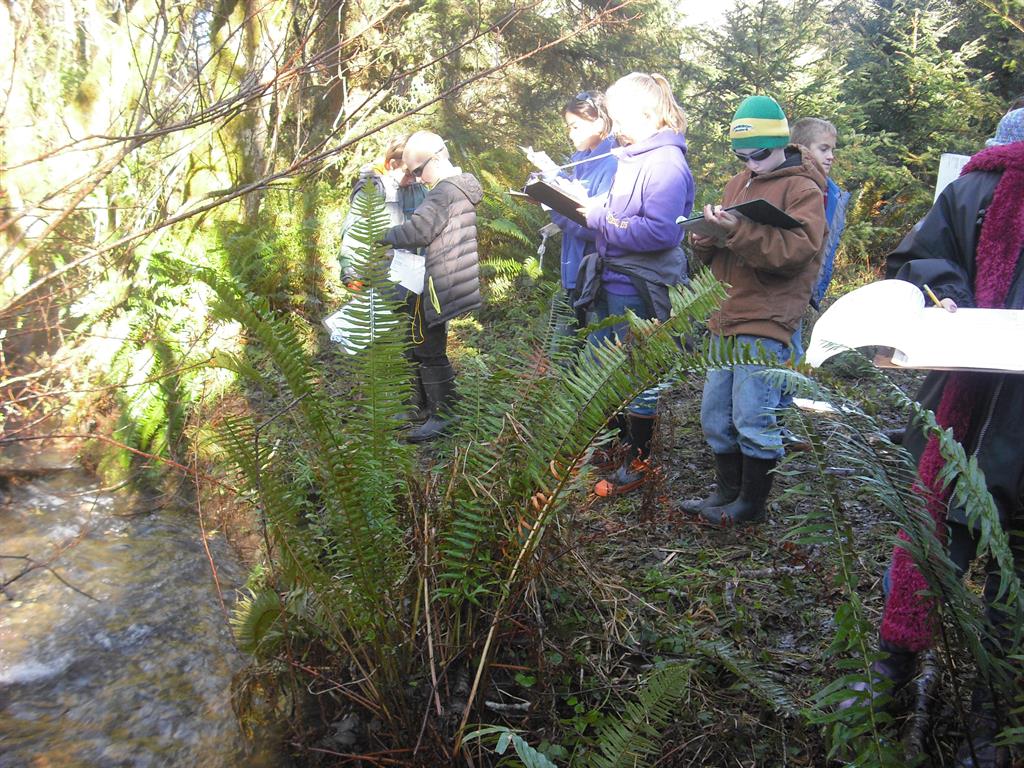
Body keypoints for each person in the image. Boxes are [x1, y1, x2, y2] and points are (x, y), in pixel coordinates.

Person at [846, 119, 1024, 768]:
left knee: (1008, 566)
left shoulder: (974, 182)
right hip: (964, 403)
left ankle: (994, 714)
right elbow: (917, 262)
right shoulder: (977, 189)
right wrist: (944, 297)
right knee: (931, 538)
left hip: (1006, 419)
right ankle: (899, 670)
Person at [683, 95, 827, 525]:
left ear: (781, 143)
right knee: (715, 414)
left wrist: (740, 231)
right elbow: (721, 252)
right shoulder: (737, 182)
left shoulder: (803, 189)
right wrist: (706, 236)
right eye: (741, 154)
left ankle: (751, 505)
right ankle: (727, 492)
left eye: (759, 153)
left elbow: (797, 252)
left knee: (754, 414)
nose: (751, 162)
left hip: (767, 318)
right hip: (725, 314)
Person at [573, 72, 695, 496]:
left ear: (646, 114)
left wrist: (598, 216)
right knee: (603, 369)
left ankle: (639, 461)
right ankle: (619, 445)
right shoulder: (635, 157)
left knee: (639, 374)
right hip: (613, 279)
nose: (614, 124)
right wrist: (594, 207)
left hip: (640, 286)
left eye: (619, 115)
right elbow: (626, 213)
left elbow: (660, 232)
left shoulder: (665, 162)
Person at [381, 131, 483, 443]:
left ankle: (444, 415)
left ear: (436, 159)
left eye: (417, 170)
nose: (416, 178)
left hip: (441, 281)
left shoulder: (443, 192)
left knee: (428, 347)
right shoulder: (457, 186)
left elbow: (419, 230)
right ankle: (420, 406)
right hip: (447, 277)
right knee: (420, 340)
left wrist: (381, 235)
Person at [547, 91, 619, 335]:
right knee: (563, 350)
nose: (570, 133)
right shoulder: (581, 160)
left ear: (599, 123)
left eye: (576, 126)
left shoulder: (613, 162)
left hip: (594, 275)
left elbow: (595, 224)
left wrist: (553, 206)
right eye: (569, 127)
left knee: (590, 355)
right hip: (573, 267)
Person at [339, 135, 427, 289]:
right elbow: (354, 234)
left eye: (416, 173)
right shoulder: (373, 191)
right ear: (392, 164)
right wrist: (353, 277)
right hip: (378, 280)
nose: (412, 179)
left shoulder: (420, 191)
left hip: (415, 281)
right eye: (407, 173)